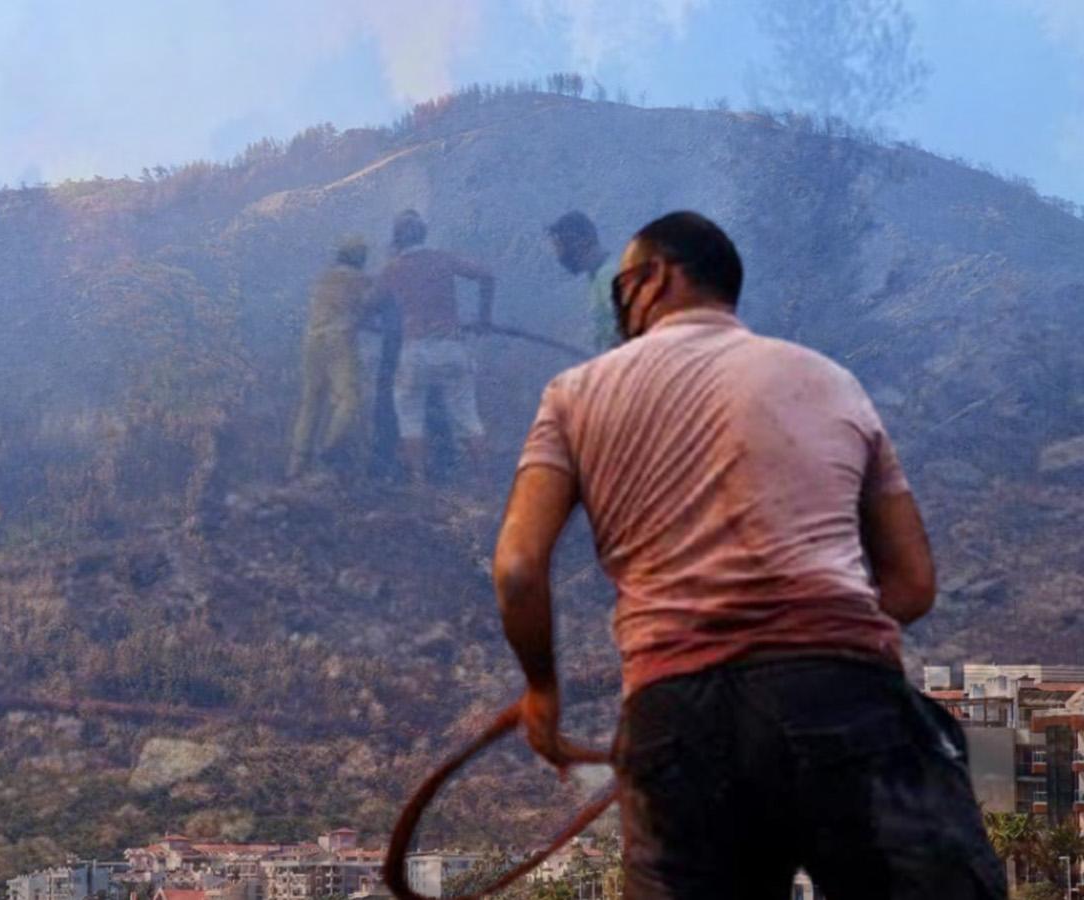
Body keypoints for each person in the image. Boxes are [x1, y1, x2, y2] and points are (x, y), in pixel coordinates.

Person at [492, 211, 1003, 899]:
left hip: (675, 714)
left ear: (657, 277)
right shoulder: (830, 381)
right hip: (842, 696)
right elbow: (912, 584)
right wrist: (806, 633)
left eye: (621, 289)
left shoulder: (574, 394)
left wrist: (542, 693)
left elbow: (519, 569)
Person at [369, 209, 496, 484]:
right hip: (451, 347)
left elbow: (370, 303)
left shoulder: (393, 269)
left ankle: (419, 483)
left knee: (410, 418)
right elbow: (487, 275)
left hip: (415, 351)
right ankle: (485, 482)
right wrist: (484, 319)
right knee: (468, 418)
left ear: (397, 240)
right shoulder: (443, 259)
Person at [288, 235, 375, 479]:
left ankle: (296, 465)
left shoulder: (323, 277)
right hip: (339, 341)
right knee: (349, 399)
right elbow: (367, 309)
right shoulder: (361, 279)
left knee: (311, 401)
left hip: (312, 341)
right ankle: (329, 449)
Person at [546, 211, 620, 351]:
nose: (560, 256)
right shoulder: (596, 278)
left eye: (562, 247)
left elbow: (626, 328)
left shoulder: (608, 275)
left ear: (582, 241)